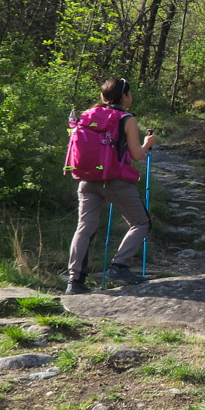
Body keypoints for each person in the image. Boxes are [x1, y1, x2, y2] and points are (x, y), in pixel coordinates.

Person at [65, 77, 157, 294]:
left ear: (103, 96)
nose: (131, 98)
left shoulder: (88, 115)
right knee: (141, 223)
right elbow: (136, 155)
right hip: (115, 180)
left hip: (86, 179)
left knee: (85, 228)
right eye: (130, 94)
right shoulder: (127, 119)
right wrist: (147, 144)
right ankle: (119, 266)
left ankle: (74, 281)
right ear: (124, 97)